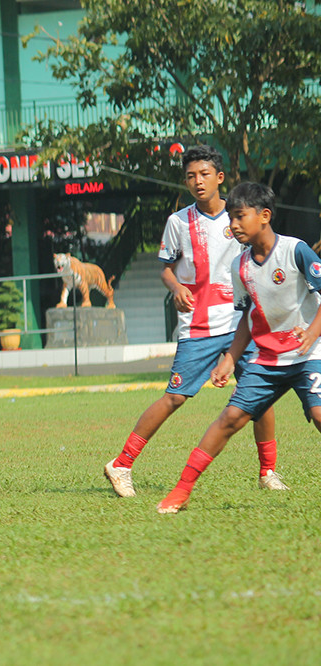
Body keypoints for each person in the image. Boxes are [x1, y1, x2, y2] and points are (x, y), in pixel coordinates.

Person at [104, 146, 286, 497]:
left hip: (243, 324)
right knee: (175, 397)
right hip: (199, 326)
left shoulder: (243, 218)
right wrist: (175, 288)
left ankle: (268, 472)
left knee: (261, 398)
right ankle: (122, 463)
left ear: (220, 178)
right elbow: (166, 269)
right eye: (190, 176)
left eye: (203, 174)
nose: (197, 181)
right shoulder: (178, 222)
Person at [157, 182, 321, 513]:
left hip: (307, 356)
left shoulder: (296, 250)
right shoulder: (240, 266)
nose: (232, 225)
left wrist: (312, 333)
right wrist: (230, 359)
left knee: (319, 415)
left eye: (239, 216)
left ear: (264, 216)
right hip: (266, 360)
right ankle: (182, 490)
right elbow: (248, 316)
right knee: (229, 418)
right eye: (230, 217)